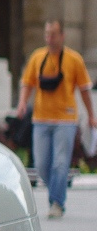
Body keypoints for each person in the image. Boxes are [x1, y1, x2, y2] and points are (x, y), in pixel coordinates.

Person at [14, 19, 95, 219]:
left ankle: (57, 202)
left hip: (66, 119)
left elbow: (84, 89)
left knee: (60, 163)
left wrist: (91, 115)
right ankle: (56, 194)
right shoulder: (37, 57)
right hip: (41, 119)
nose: (49, 38)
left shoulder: (74, 59)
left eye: (53, 34)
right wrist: (22, 103)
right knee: (41, 165)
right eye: (47, 34)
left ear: (62, 36)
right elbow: (27, 82)